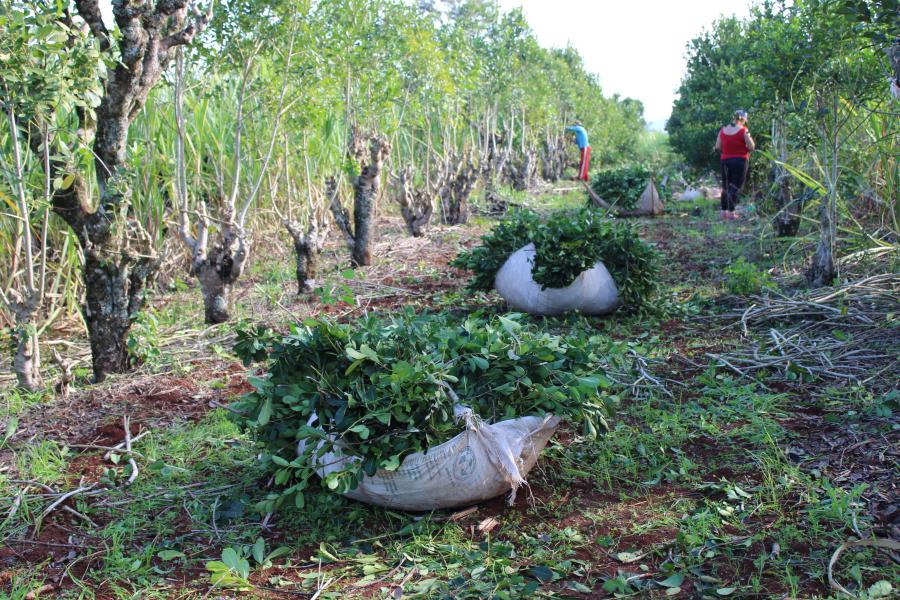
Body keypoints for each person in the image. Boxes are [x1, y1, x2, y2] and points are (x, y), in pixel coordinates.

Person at [714, 109, 755, 220]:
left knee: (725, 186)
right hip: (740, 161)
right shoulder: (744, 130)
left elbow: (717, 146)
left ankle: (723, 212)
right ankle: (731, 213)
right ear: (742, 119)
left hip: (725, 160)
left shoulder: (722, 130)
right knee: (735, 186)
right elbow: (751, 146)